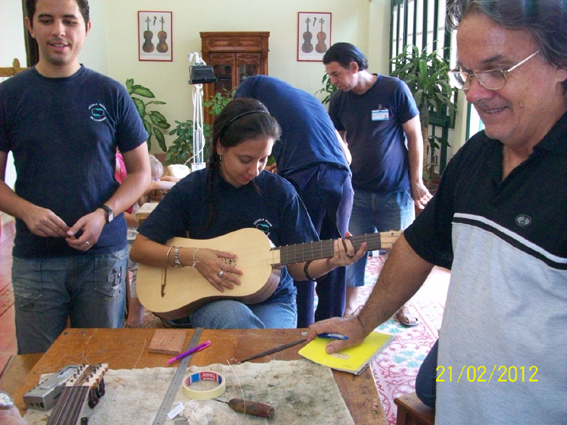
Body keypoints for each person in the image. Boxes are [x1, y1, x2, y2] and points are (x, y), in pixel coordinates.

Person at [308, 0, 567, 422]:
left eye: (496, 69)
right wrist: (363, 322)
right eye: (465, 73)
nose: (475, 92)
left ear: (561, 61)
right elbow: (417, 245)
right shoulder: (478, 155)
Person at [130, 98, 365, 329]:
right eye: (245, 159)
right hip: (214, 299)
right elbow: (140, 248)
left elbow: (298, 268)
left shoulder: (280, 191)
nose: (255, 170)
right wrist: (195, 256)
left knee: (265, 341)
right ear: (221, 146)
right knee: (239, 323)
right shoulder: (193, 188)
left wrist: (332, 261)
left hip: (273, 298)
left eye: (263, 160)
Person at [0, 0, 151, 354]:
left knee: (100, 366)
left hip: (102, 257)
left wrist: (105, 213)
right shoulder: (9, 96)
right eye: (47, 20)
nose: (59, 31)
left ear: (86, 26)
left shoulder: (110, 93)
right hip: (36, 260)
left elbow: (141, 172)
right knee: (38, 371)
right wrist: (26, 211)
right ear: (30, 25)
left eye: (69, 21)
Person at [323, 42, 432, 325]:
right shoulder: (339, 100)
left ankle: (402, 306)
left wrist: (416, 181)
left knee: (402, 253)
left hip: (395, 191)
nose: (333, 81)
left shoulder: (394, 90)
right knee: (353, 250)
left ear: (354, 67)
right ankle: (351, 306)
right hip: (357, 192)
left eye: (336, 74)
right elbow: (338, 138)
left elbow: (415, 136)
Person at [234, 75, 354, 327]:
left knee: (300, 255)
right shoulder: (305, 98)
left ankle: (300, 330)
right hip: (342, 179)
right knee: (336, 253)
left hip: (309, 178)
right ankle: (330, 327)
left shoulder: (251, 87)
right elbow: (345, 154)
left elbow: (240, 132)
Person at [123, 154, 176, 328]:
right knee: (142, 270)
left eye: (157, 178)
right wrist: (153, 184)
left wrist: (161, 180)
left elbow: (170, 180)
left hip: (137, 238)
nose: (156, 182)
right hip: (130, 241)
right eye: (151, 178)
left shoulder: (152, 190)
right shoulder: (137, 193)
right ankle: (134, 318)